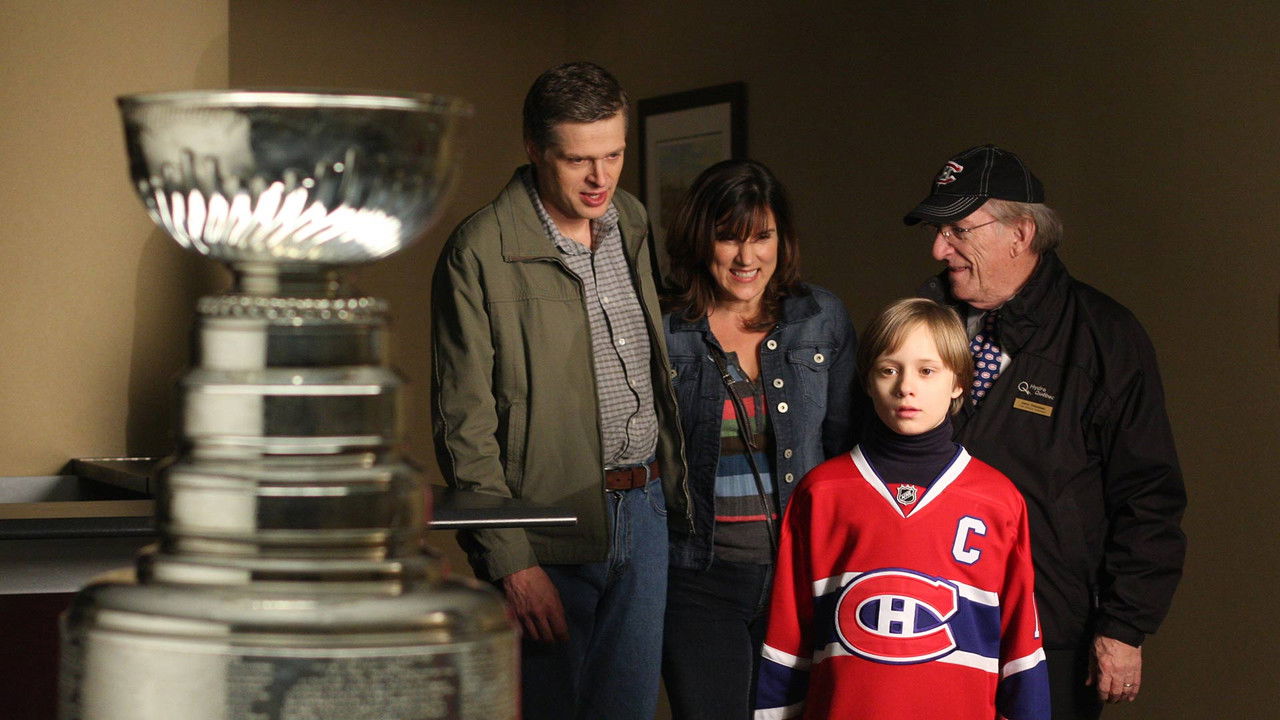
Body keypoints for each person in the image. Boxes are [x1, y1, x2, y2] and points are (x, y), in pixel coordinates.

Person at [430, 61, 688, 720]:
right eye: (579, 161)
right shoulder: (481, 251)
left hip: (646, 511)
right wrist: (511, 562)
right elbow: (465, 427)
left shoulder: (630, 220)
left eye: (614, 154)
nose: (600, 178)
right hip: (548, 530)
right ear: (534, 149)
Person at [903, 144, 1187, 719]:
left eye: (958, 229)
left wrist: (1125, 627)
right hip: (927, 620)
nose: (939, 249)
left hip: (1051, 628)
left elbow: (1148, 496)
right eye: (937, 231)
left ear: (1021, 233)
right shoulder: (921, 320)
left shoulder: (1105, 337)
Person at [754, 298, 1050, 720]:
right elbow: (787, 640)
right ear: (868, 381)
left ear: (958, 382)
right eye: (888, 369)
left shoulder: (997, 499)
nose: (905, 387)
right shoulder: (822, 492)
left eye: (927, 371)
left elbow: (1021, 645)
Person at [660, 159, 857, 719]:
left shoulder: (820, 318)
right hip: (696, 578)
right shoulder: (665, 327)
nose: (747, 258)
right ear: (702, 239)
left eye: (762, 237)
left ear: (781, 239)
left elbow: (849, 454)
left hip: (799, 578)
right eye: (728, 238)